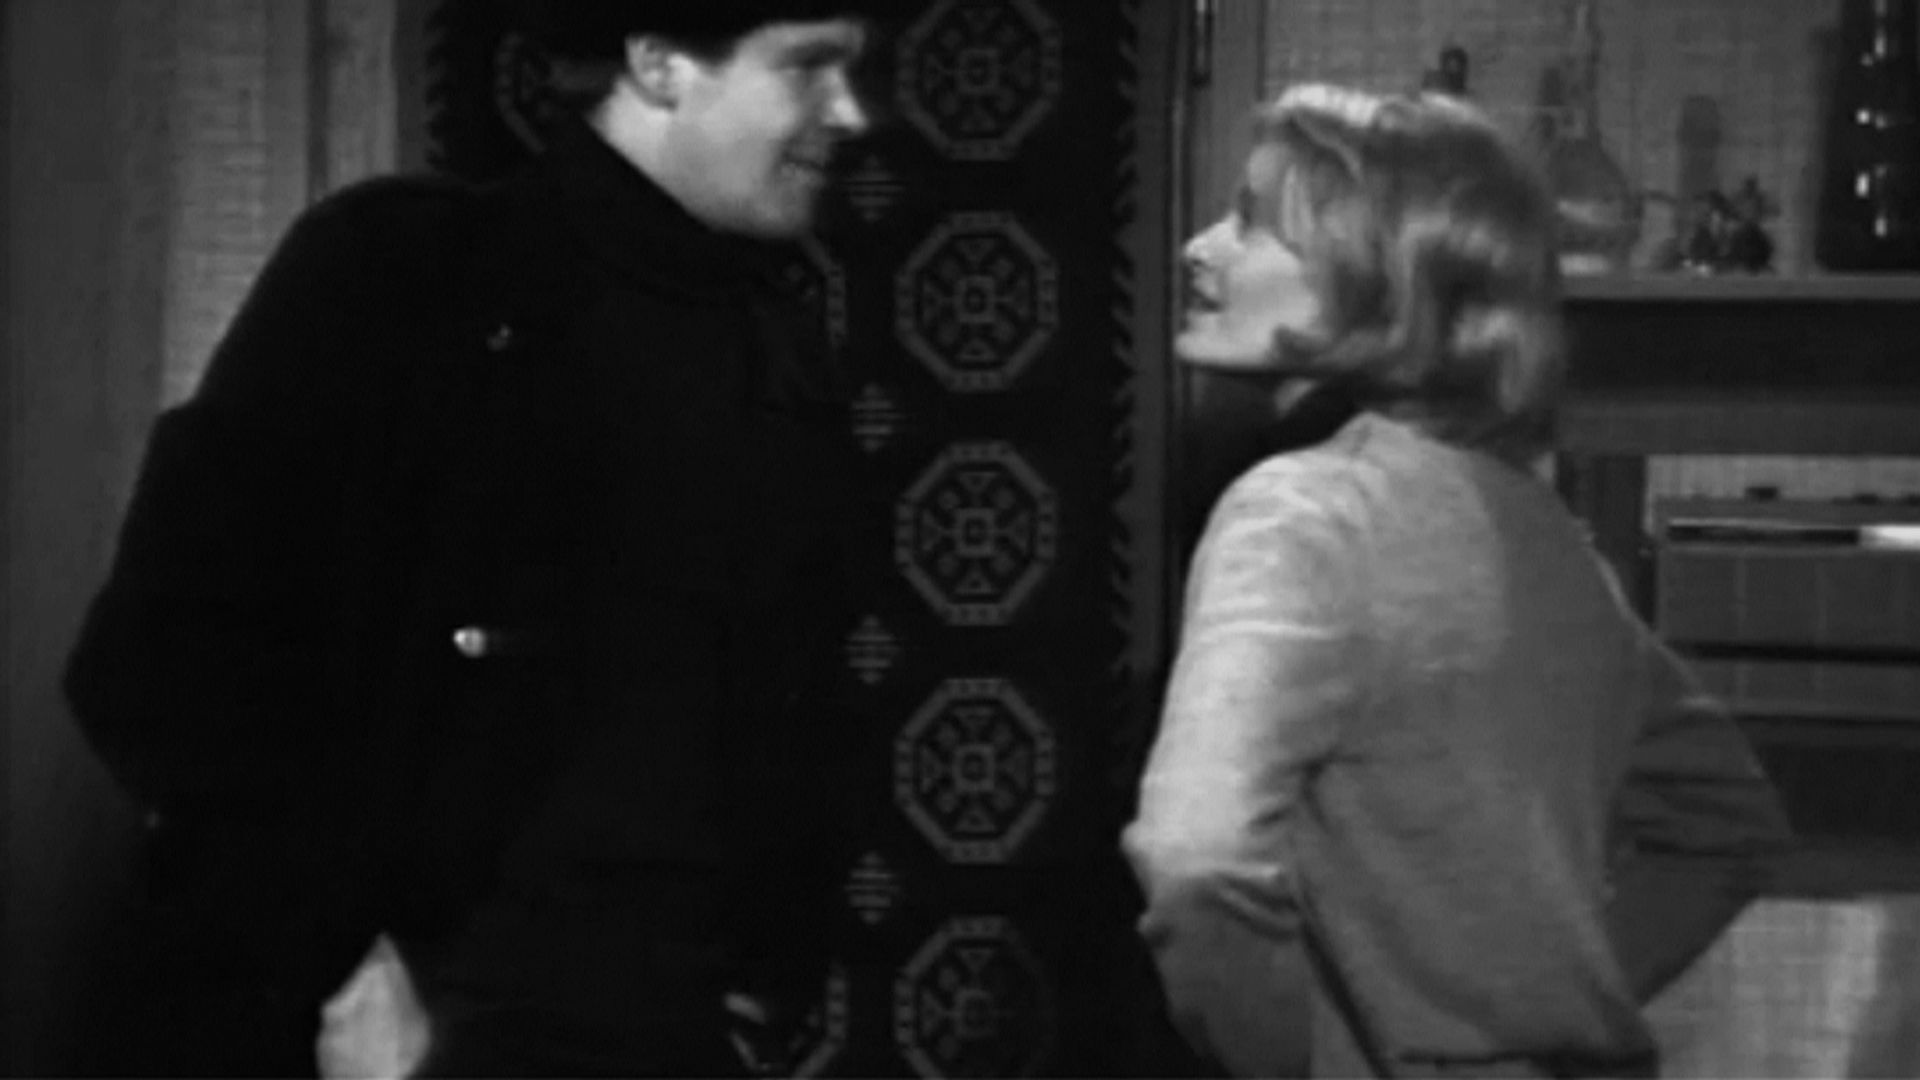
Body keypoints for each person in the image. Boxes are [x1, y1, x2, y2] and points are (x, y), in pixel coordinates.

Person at [63, 1, 884, 1075]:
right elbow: (160, 661)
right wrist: (334, 960)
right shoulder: (400, 274)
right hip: (385, 1030)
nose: (851, 113)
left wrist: (756, 979)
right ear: (658, 61)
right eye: (809, 66)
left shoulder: (779, 351)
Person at [1121, 84, 1793, 1079]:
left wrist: (1294, 1065)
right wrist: (1542, 1013)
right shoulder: (1547, 536)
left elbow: (1196, 856)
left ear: (1378, 273)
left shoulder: (1301, 514)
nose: (1199, 248)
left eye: (1255, 223)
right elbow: (1729, 823)